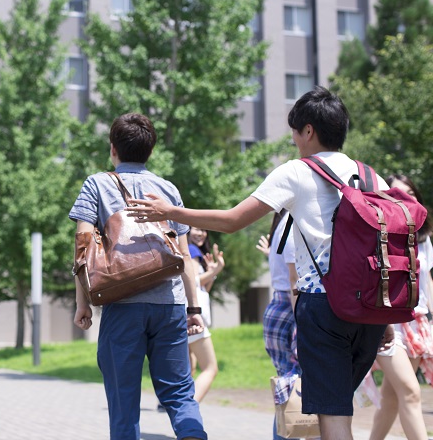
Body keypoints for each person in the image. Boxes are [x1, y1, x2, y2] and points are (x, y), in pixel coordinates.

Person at [126, 87, 393, 440]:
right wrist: (384, 317)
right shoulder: (374, 178)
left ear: (309, 131)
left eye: (296, 132)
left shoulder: (297, 172)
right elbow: (386, 253)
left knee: (332, 415)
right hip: (371, 308)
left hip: (324, 305)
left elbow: (233, 219)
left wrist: (172, 212)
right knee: (341, 403)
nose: (295, 140)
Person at [69, 112, 207, 440]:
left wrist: (82, 303)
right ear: (150, 150)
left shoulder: (97, 184)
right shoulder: (167, 188)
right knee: (179, 394)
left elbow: (82, 245)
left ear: (113, 149)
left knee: (123, 402)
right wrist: (194, 308)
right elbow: (184, 255)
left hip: (122, 305)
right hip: (170, 306)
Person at [368, 174, 433, 440]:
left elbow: (427, 282)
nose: (405, 200)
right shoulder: (377, 235)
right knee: (410, 391)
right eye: (397, 194)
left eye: (410, 194)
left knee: (393, 395)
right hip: (387, 323)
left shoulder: (424, 239)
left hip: (418, 321)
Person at [257, 210, 304, 440]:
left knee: (289, 389)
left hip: (280, 306)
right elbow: (295, 279)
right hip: (292, 307)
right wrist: (303, 324)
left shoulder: (283, 222)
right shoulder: (294, 221)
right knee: (295, 390)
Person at [186, 228, 222, 403]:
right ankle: (187, 411)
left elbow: (204, 287)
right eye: (196, 229)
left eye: (203, 230)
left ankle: (176, 406)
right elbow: (194, 280)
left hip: (186, 313)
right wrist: (218, 269)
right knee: (210, 368)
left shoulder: (195, 252)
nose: (199, 233)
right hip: (193, 316)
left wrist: (212, 272)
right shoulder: (190, 250)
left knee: (188, 367)